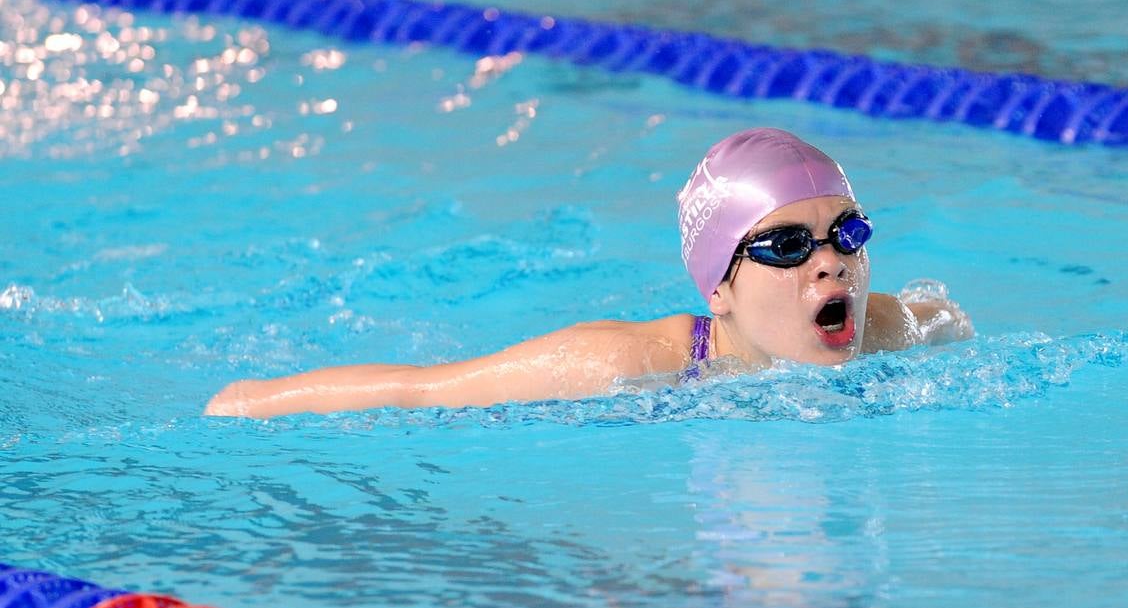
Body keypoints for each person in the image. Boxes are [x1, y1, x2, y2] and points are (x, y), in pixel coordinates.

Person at [204, 128, 972, 418]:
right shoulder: (630, 364)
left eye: (847, 233)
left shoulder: (895, 330)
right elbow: (424, 389)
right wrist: (249, 403)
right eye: (783, 246)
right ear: (718, 288)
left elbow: (951, 324)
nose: (830, 261)